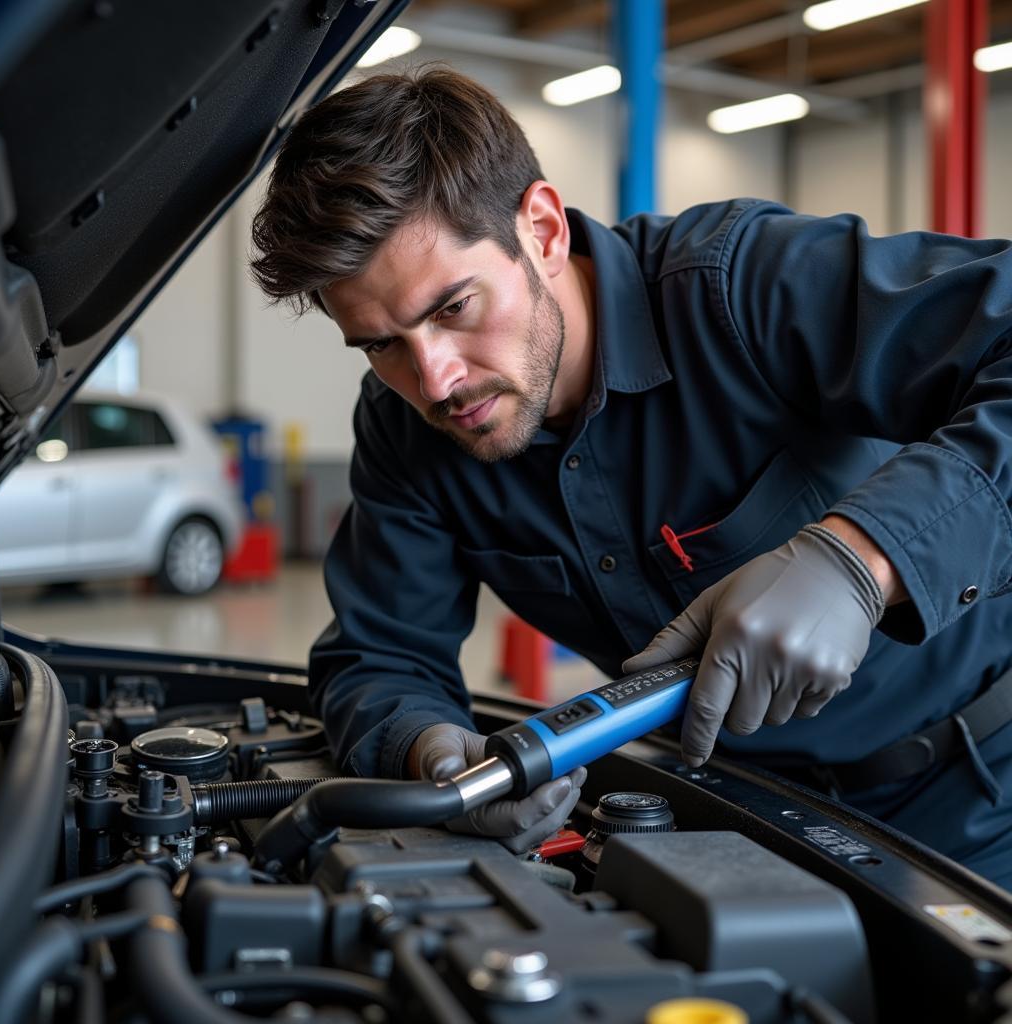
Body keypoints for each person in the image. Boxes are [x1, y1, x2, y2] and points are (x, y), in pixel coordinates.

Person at [250, 65, 1012, 883]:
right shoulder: (405, 431)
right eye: (381, 343)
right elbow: (380, 655)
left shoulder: (738, 285)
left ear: (541, 230)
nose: (434, 380)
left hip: (983, 790)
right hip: (737, 825)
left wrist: (864, 559)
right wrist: (431, 758)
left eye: (452, 309)